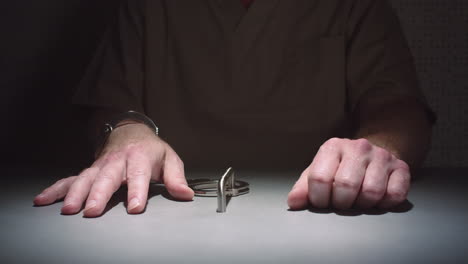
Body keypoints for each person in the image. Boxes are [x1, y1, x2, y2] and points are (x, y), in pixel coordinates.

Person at [34, 0, 435, 217]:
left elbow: (398, 104)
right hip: (161, 214)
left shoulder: (355, 6)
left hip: (318, 216)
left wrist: (379, 147)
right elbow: (108, 101)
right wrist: (125, 130)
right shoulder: (146, 6)